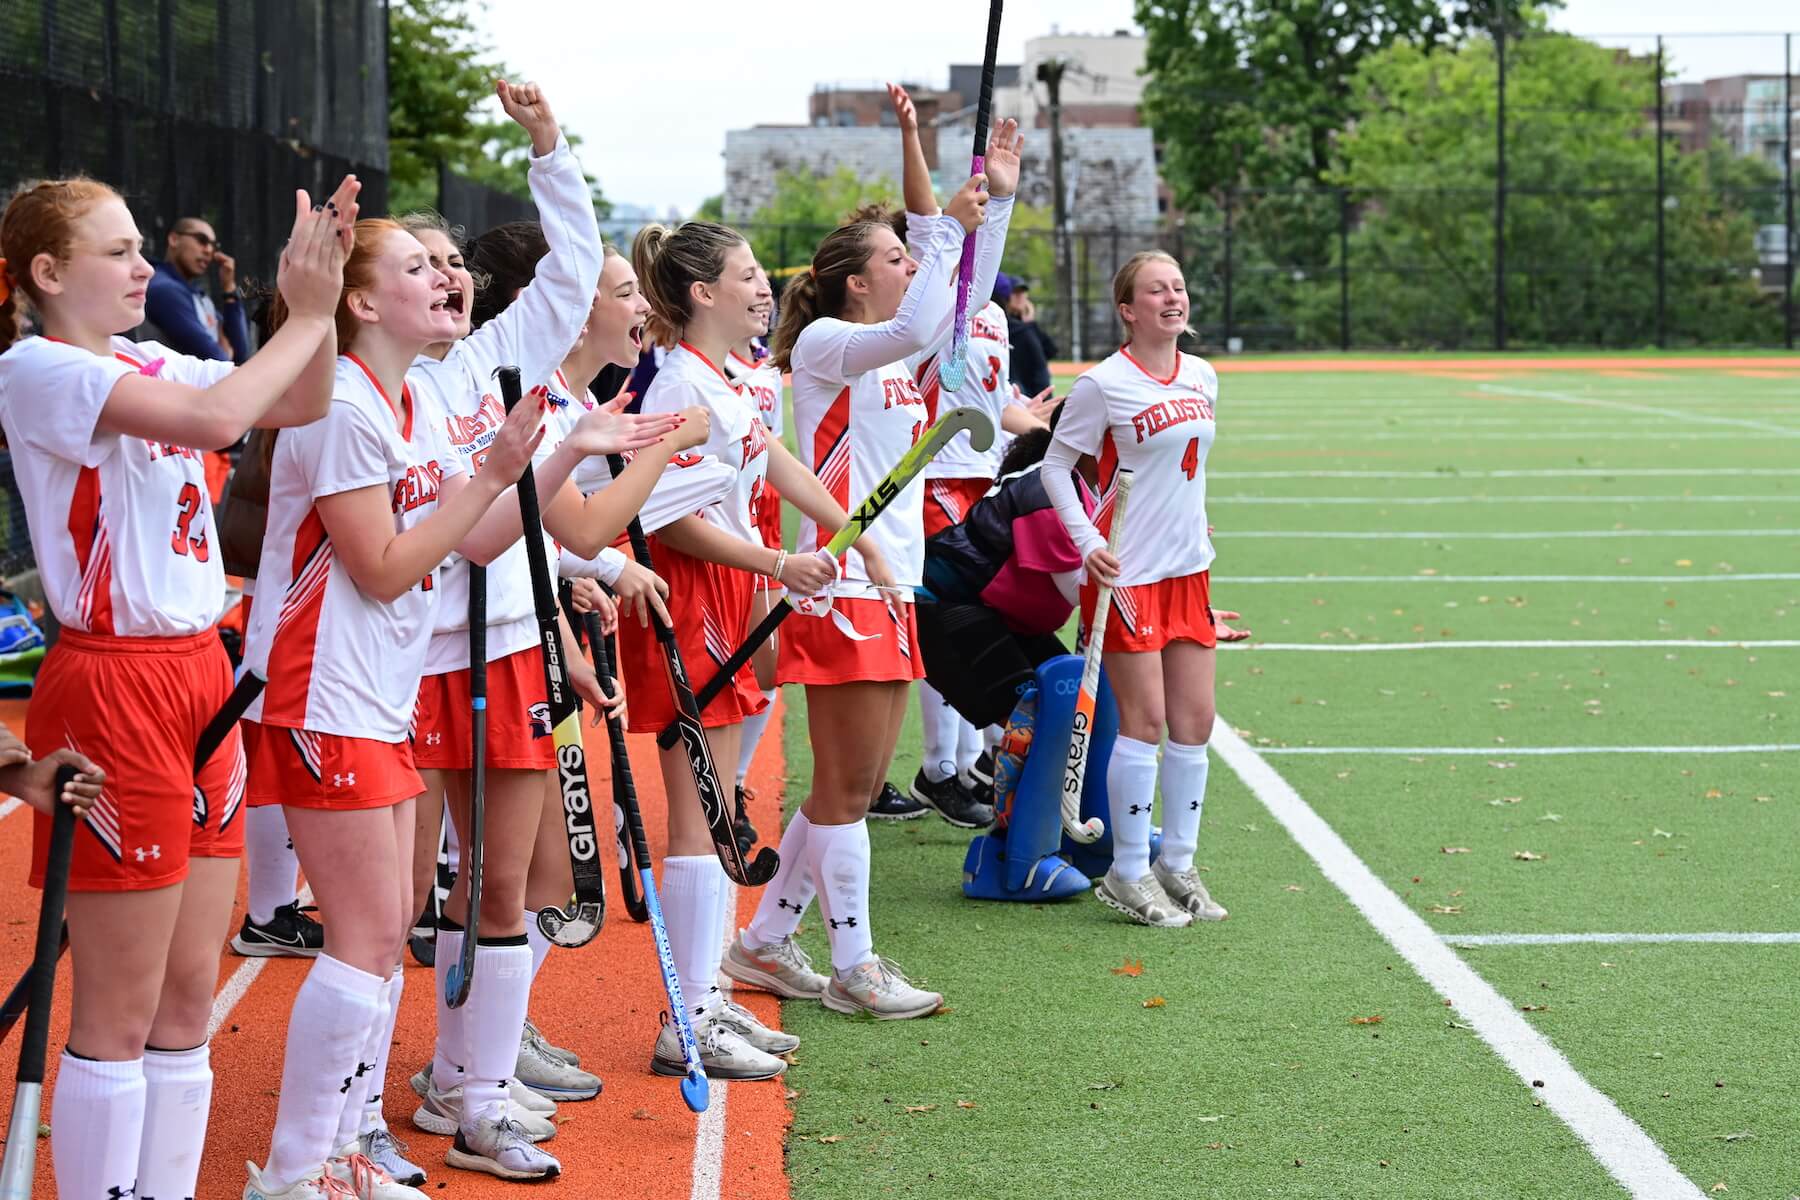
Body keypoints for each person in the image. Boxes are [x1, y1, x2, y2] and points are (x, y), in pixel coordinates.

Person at [0, 170, 358, 1200]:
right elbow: (215, 423)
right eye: (118, 252)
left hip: (205, 673)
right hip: (113, 684)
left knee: (187, 999)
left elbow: (297, 397)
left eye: (138, 245)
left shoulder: (149, 354)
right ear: (48, 272)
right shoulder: (39, 370)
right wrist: (312, 312)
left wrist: (312, 301)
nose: (143, 266)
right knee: (115, 1010)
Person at [720, 108, 1019, 1021]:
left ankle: (765, 944)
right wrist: (948, 223)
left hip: (888, 586)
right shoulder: (828, 349)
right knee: (849, 792)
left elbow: (955, 306)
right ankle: (854, 965)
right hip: (838, 586)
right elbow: (929, 304)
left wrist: (992, 209)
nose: (913, 268)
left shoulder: (902, 353)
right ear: (856, 283)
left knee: (846, 788)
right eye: (898, 256)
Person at [621, 219, 862, 1080]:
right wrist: (777, 561)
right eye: (750, 275)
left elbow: (776, 464)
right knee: (700, 814)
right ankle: (684, 1016)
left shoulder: (727, 378)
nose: (767, 287)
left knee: (720, 806)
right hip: (690, 600)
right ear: (702, 293)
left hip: (726, 592)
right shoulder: (679, 387)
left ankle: (705, 999)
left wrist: (853, 537)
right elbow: (660, 518)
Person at [1039, 249, 1227, 929]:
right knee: (1144, 724)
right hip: (1127, 575)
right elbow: (1057, 467)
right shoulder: (1103, 384)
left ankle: (1178, 862)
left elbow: (1188, 472)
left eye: (1178, 286)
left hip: (1188, 572)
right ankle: (1127, 871)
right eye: (1156, 291)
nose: (1172, 298)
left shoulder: (1204, 376)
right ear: (1128, 309)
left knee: (1195, 722)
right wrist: (1086, 542)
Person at [721, 311, 781, 853]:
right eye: (749, 279)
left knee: (769, 664)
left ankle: (732, 783)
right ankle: (712, 786)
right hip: (720, 532)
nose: (763, 292)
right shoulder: (688, 371)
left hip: (764, 520)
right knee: (720, 672)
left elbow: (776, 453)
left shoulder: (770, 371)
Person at [144, 215, 251, 363]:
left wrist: (229, 290)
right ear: (174, 239)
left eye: (213, 245)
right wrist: (225, 350)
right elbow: (219, 361)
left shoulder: (196, 295)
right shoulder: (164, 289)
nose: (209, 250)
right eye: (201, 240)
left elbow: (240, 354)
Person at [1000, 274, 1056, 399]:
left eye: (1023, 293)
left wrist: (1030, 322)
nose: (1020, 297)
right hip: (1018, 393)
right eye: (1016, 293)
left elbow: (1050, 351)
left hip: (1031, 392)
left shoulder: (1027, 326)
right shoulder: (1008, 325)